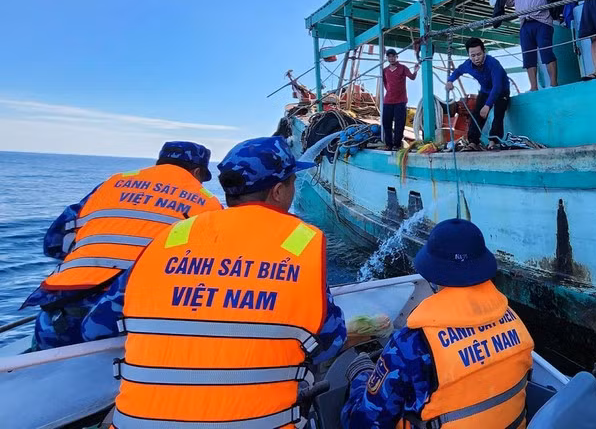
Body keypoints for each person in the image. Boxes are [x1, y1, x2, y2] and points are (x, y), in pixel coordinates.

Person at [107, 136, 347, 428]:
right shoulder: (301, 242)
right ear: (278, 191)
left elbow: (108, 316)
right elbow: (331, 341)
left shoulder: (170, 237)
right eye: (293, 181)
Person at [19, 141, 222, 350]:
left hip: (59, 305)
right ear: (197, 171)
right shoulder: (207, 203)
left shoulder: (113, 183)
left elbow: (55, 241)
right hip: (122, 313)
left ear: (159, 162)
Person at [341, 218, 534, 429]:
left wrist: (360, 377)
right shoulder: (515, 322)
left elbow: (364, 423)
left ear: (433, 271)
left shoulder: (411, 345)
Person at [445, 37, 511, 151]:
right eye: (473, 55)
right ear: (469, 55)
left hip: (501, 91)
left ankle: (494, 141)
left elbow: (497, 87)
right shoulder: (467, 64)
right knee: (477, 115)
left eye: (479, 54)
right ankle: (473, 142)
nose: (476, 58)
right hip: (485, 91)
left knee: (498, 113)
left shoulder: (493, 63)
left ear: (484, 52)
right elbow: (458, 71)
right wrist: (450, 80)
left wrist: (488, 105)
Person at [506, 0, 559, 91]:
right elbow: (509, 2)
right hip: (525, 24)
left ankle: (553, 84)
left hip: (542, 21)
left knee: (546, 53)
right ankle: (533, 87)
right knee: (528, 57)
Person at [382, 48, 419, 150]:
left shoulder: (403, 68)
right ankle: (389, 144)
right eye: (389, 57)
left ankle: (397, 145)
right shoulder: (384, 70)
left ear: (396, 57)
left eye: (393, 56)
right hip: (388, 101)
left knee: (400, 123)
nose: (391, 58)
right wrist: (390, 92)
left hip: (401, 101)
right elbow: (385, 83)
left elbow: (412, 77)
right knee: (386, 123)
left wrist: (415, 71)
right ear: (387, 58)